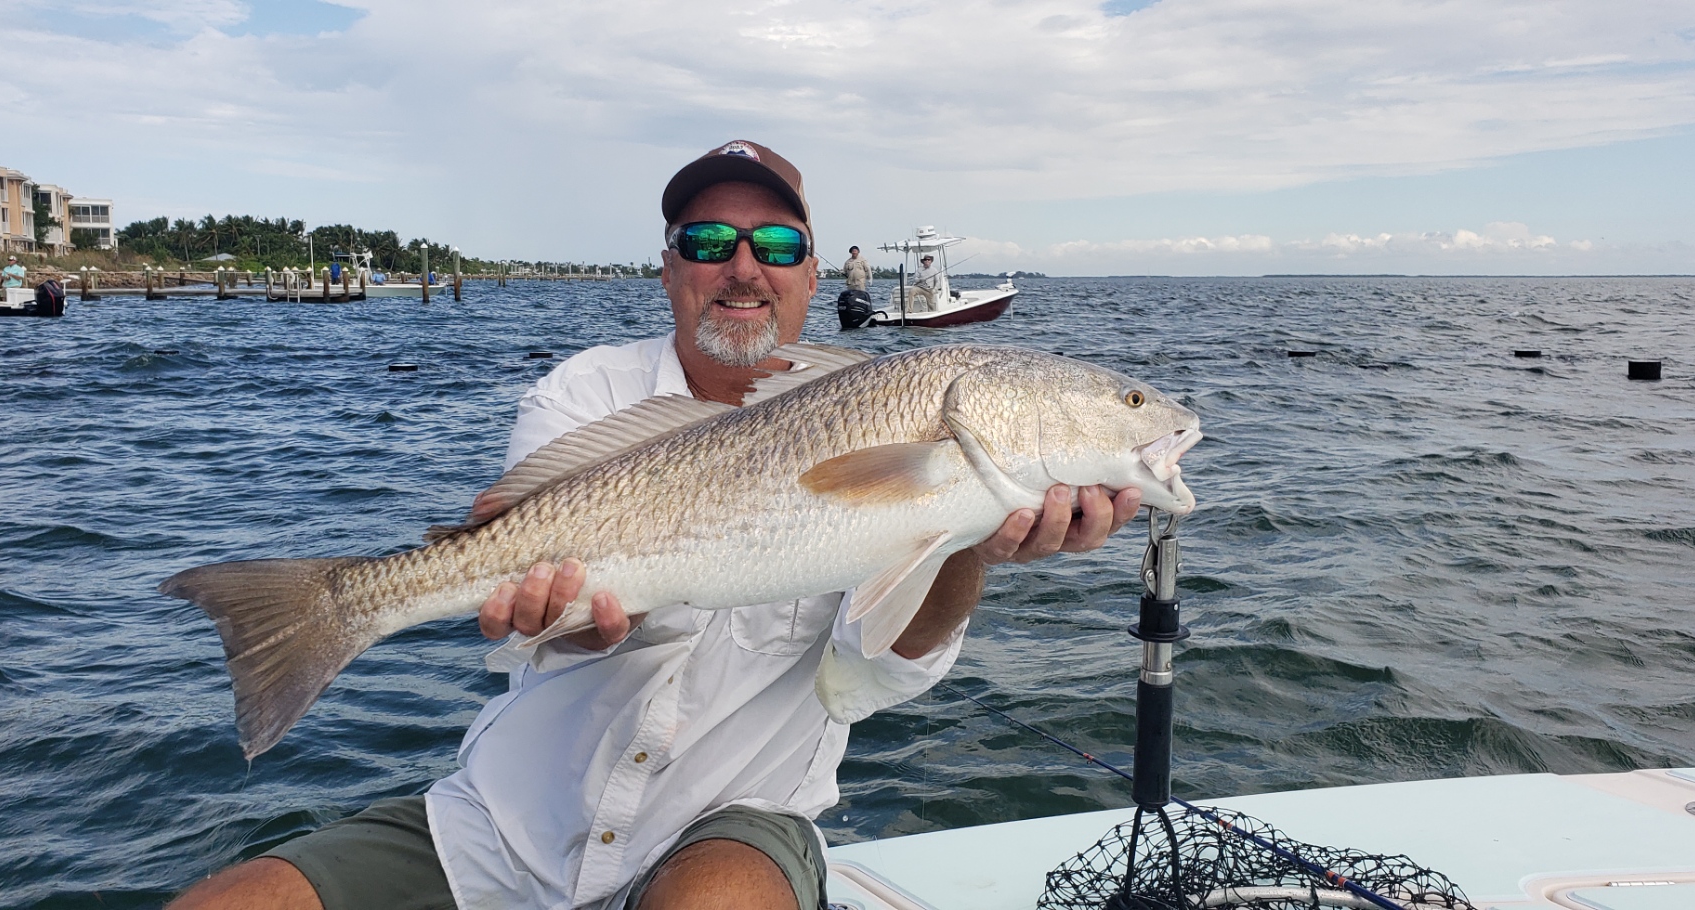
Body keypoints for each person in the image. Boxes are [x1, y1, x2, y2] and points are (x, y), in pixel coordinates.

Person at [168, 140, 1139, 910]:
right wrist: (571, 621)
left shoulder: (896, 415)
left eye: (777, 246)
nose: (743, 268)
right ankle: (333, 605)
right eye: (709, 242)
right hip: (503, 823)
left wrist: (967, 538)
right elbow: (534, 597)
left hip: (740, 817)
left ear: (813, 275)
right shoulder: (584, 393)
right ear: (669, 265)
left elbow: (871, 676)